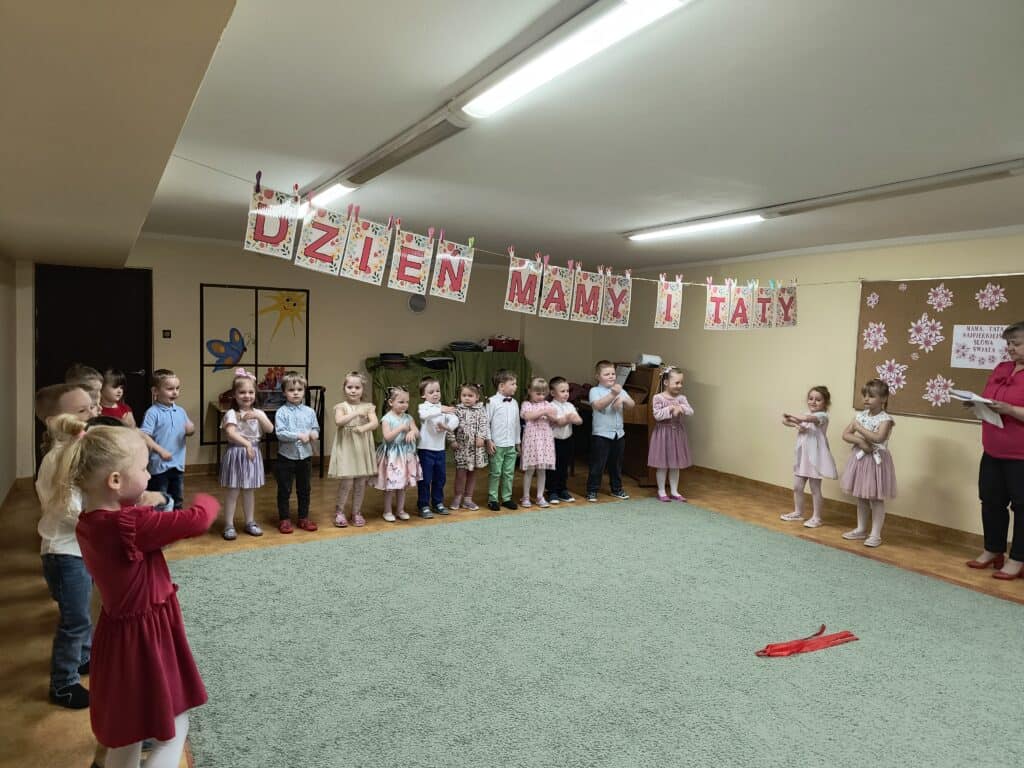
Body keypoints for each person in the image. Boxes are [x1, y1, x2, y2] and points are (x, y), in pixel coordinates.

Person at [50, 416, 219, 768]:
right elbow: (197, 520)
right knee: (175, 727)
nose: (149, 474)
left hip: (117, 637)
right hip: (147, 638)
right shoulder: (132, 525)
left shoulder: (89, 521)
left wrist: (141, 501)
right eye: (143, 468)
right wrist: (207, 499)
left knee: (128, 732)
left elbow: (124, 525)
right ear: (115, 481)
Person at [33, 384, 99, 709]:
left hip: (78, 550)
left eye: (92, 406)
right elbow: (68, 509)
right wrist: (100, 517)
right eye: (82, 410)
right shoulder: (58, 459)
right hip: (64, 554)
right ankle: (63, 683)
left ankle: (83, 658)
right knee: (75, 621)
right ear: (54, 421)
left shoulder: (75, 452)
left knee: (84, 611)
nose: (93, 414)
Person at [966, 321, 1024, 579]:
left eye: (1016, 343)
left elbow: (1010, 407)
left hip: (1020, 455)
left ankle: (1018, 558)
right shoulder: (1002, 368)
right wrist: (977, 404)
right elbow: (990, 398)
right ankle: (993, 550)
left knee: (1022, 508)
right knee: (990, 501)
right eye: (1008, 343)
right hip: (992, 449)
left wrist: (1010, 410)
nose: (1010, 348)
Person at [839, 379, 896, 547]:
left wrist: (859, 429)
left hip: (876, 462)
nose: (866, 399)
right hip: (860, 459)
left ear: (883, 398)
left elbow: (879, 438)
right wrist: (860, 441)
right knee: (862, 496)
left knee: (876, 499)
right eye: (864, 395)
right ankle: (861, 529)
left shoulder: (886, 419)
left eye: (871, 396)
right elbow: (845, 434)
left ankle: (875, 534)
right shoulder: (860, 416)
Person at [219, 368, 273, 540]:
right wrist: (247, 444)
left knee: (249, 491)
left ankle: (250, 522)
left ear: (255, 394)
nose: (247, 396)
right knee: (233, 491)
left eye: (251, 392)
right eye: (242, 392)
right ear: (234, 394)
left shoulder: (258, 413)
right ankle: (229, 525)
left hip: (252, 455)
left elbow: (270, 429)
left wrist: (259, 416)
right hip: (236, 453)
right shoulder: (232, 413)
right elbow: (231, 433)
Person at [780, 385, 838, 527]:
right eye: (810, 398)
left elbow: (808, 419)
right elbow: (785, 421)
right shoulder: (805, 415)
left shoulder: (822, 416)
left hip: (815, 459)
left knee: (815, 489)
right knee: (797, 486)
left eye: (818, 400)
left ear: (825, 403)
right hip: (803, 457)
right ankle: (798, 512)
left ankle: (817, 517)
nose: (813, 402)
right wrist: (795, 424)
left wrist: (794, 418)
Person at [328, 371, 378, 527]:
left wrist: (363, 428)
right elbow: (339, 421)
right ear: (344, 388)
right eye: (350, 387)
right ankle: (339, 511)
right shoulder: (341, 407)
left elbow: (375, 423)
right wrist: (355, 413)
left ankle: (356, 512)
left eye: (357, 387)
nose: (353, 390)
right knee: (347, 481)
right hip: (347, 446)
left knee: (361, 482)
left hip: (362, 447)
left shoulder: (368, 407)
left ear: (363, 389)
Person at [141, 369, 195, 510]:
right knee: (160, 501)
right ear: (155, 391)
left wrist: (190, 430)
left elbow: (190, 431)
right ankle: (160, 522)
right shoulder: (152, 413)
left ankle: (176, 521)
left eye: (177, 388)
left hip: (178, 465)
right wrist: (160, 450)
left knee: (177, 499)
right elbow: (144, 436)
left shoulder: (181, 411)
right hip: (159, 467)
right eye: (170, 389)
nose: (175, 392)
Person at [274, 371, 319, 533]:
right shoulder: (281, 412)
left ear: (304, 391)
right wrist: (298, 435)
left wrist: (314, 433)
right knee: (284, 489)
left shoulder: (310, 411)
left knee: (304, 489)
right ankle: (284, 519)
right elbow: (280, 433)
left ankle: (303, 517)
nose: (296, 393)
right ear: (284, 392)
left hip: (305, 457)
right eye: (291, 390)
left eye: (299, 389)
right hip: (286, 457)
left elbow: (315, 428)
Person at [586, 360, 635, 502]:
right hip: (601, 434)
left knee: (616, 464)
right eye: (606, 374)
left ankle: (617, 489)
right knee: (598, 464)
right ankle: (592, 490)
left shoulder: (620, 390)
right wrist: (613, 395)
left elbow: (632, 405)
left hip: (618, 434)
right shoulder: (595, 391)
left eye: (613, 374)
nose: (611, 376)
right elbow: (598, 405)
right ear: (598, 376)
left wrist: (623, 400)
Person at [648, 366, 694, 502]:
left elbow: (690, 411)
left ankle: (674, 491)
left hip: (677, 434)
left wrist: (681, 408)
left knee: (675, 464)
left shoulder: (682, 398)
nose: (680, 386)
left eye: (681, 383)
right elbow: (657, 415)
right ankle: (661, 491)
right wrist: (670, 408)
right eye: (677, 382)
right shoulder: (658, 397)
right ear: (666, 382)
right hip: (662, 434)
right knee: (662, 464)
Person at [374, 386, 421, 522]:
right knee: (390, 485)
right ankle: (387, 511)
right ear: (391, 402)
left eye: (407, 402)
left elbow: (417, 432)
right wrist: (401, 428)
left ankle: (400, 510)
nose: (405, 405)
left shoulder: (409, 418)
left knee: (402, 485)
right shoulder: (387, 419)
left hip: (406, 455)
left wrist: (412, 432)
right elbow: (387, 437)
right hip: (392, 456)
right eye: (401, 402)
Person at [416, 376, 458, 518]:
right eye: (431, 392)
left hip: (440, 450)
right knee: (425, 479)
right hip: (425, 450)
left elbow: (455, 419)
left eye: (438, 391)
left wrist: (447, 426)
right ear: (423, 395)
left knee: (440, 478)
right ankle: (423, 505)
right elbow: (424, 415)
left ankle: (438, 502)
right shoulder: (423, 407)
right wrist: (441, 410)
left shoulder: (443, 408)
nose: (435, 394)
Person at [449, 383, 489, 511]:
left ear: (477, 397)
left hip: (475, 449)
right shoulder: (457, 410)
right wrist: (452, 440)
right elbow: (449, 427)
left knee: (472, 474)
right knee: (460, 474)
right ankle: (457, 497)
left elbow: (484, 425)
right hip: (462, 448)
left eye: (470, 396)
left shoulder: (481, 410)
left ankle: (468, 499)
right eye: (464, 395)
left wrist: (481, 437)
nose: (466, 398)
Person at [520, 377, 557, 508]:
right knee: (530, 470)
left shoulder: (548, 404)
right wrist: (544, 411)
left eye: (543, 394)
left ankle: (540, 496)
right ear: (530, 391)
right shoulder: (526, 404)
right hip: (531, 441)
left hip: (545, 440)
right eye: (538, 393)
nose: (541, 397)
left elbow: (555, 419)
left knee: (542, 470)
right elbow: (528, 416)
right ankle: (525, 496)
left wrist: (549, 414)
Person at [486, 370, 520, 511]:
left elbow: (517, 424)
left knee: (509, 473)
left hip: (510, 444)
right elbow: (486, 423)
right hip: (497, 444)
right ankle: (493, 499)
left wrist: (517, 442)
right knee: (495, 473)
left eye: (515, 384)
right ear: (501, 386)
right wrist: (489, 440)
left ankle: (506, 498)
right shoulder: (491, 402)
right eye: (512, 384)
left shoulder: (515, 403)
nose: (515, 386)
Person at [545, 376, 582, 504]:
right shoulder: (549, 406)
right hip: (553, 441)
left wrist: (573, 418)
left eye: (567, 391)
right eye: (562, 391)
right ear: (552, 393)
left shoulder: (570, 406)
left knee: (564, 465)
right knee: (552, 467)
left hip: (567, 439)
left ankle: (562, 489)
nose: (566, 394)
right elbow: (559, 423)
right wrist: (568, 418)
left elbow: (579, 421)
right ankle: (552, 491)